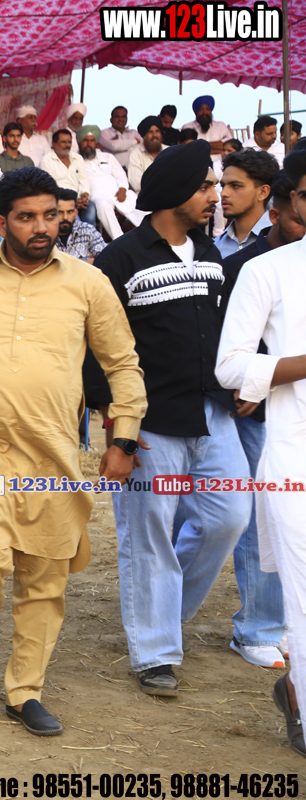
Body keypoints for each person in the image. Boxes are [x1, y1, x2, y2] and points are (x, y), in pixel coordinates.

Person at [0, 167, 146, 737]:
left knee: (44, 579)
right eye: (27, 217)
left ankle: (25, 691)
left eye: (52, 215)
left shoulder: (88, 283)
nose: (43, 227)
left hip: (54, 455)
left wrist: (124, 437)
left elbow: (122, 363)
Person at [83, 139, 251, 698]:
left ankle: (160, 611)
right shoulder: (120, 259)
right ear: (176, 191)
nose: (215, 196)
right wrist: (117, 426)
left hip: (212, 412)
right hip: (150, 420)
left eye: (216, 186)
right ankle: (155, 651)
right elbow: (95, 348)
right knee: (148, 535)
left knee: (230, 517)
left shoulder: (210, 256)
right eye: (205, 186)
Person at [215, 150, 306, 756]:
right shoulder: (268, 271)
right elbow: (230, 366)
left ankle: (293, 691)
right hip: (295, 454)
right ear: (294, 199)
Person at [78, 126, 141, 241]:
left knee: (139, 207)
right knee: (103, 205)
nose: (88, 144)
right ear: (79, 142)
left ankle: (154, 235)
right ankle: (120, 241)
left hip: (117, 191)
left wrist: (122, 189)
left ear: (96, 143)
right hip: (97, 195)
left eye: (92, 141)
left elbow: (120, 174)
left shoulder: (107, 156)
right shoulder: (75, 160)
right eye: (85, 140)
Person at [216, 148, 279, 259]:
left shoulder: (280, 240)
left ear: (263, 192)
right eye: (223, 186)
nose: (224, 193)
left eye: (235, 186)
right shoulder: (215, 247)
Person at [39, 130, 90, 221]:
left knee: (91, 211)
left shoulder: (77, 158)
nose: (67, 145)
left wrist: (84, 195)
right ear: (54, 144)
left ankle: (87, 230)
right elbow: (49, 188)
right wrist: (72, 200)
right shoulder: (46, 161)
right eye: (63, 142)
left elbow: (83, 180)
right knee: (75, 219)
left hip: (78, 199)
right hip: (59, 200)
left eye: (69, 142)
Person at [53, 187, 105, 263]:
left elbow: (106, 258)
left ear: (75, 213)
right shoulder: (45, 234)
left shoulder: (87, 230)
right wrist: (85, 263)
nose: (65, 217)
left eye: (70, 212)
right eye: (60, 212)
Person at [129, 116, 167, 193]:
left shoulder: (169, 150)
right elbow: (135, 183)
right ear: (144, 136)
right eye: (150, 132)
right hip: (147, 195)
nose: (154, 135)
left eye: (157, 131)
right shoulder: (136, 154)